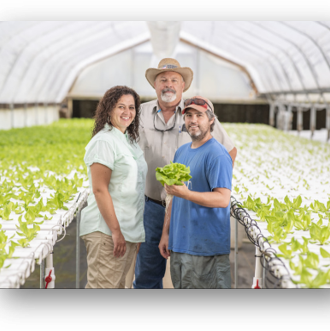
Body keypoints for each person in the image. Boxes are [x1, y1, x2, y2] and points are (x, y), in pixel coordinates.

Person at [133, 58, 237, 289]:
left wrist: (209, 184)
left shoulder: (198, 111)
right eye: (163, 80)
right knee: (147, 273)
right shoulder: (141, 113)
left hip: (186, 206)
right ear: (155, 85)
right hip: (151, 204)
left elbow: (229, 151)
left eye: (174, 80)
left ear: (183, 86)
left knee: (192, 270)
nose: (168, 84)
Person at [158, 96, 233, 288]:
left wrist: (187, 194)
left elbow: (223, 199)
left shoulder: (217, 154)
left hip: (205, 249)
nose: (193, 120)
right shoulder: (182, 152)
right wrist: (166, 233)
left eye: (199, 115)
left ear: (211, 119)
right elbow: (174, 197)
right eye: (188, 115)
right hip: (180, 244)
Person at [80, 86, 147, 288]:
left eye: (132, 107)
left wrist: (133, 234)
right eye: (121, 107)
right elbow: (100, 189)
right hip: (107, 231)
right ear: (109, 109)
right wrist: (116, 231)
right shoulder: (104, 141)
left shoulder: (128, 141)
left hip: (126, 232)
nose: (127, 112)